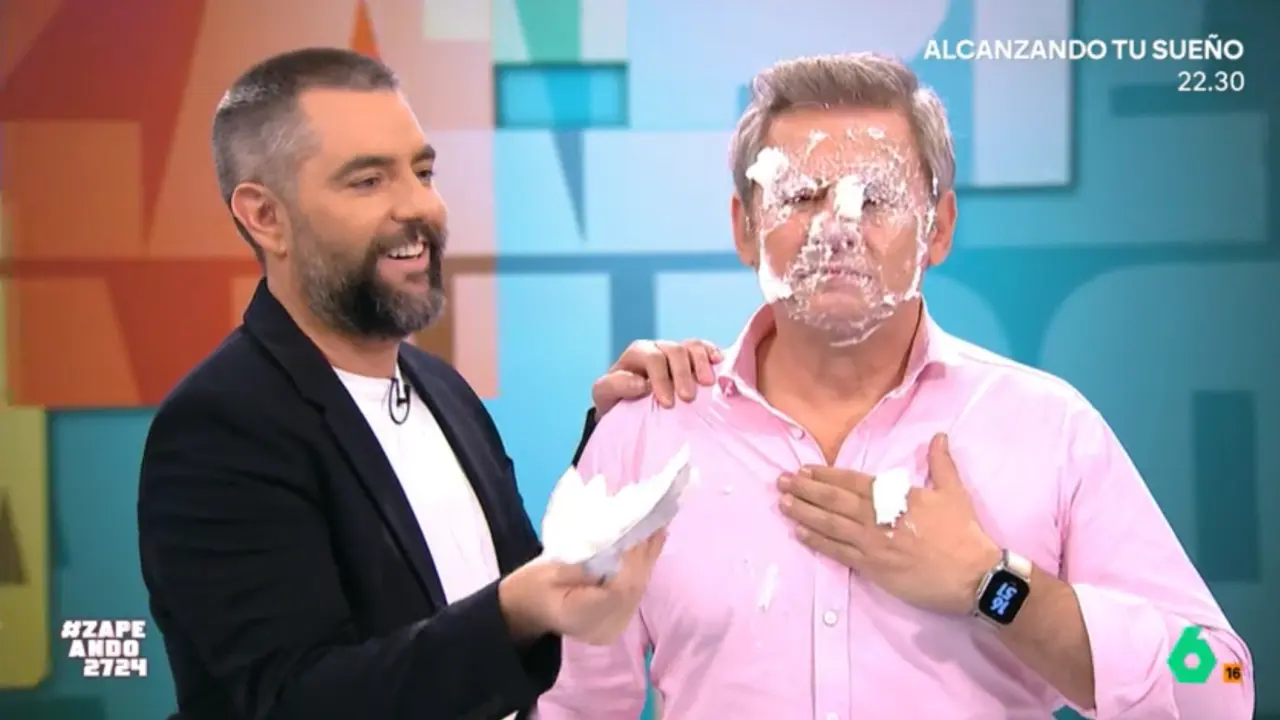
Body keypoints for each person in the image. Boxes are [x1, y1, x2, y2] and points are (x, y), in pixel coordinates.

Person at [536, 53, 1255, 719]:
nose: (837, 229)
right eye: (800, 194)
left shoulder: (1051, 430)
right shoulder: (647, 433)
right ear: (746, 226)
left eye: (875, 197)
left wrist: (994, 586)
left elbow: (1220, 684)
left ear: (938, 228)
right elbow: (565, 707)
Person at [136, 48, 717, 720]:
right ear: (265, 216)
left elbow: (513, 587)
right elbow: (294, 699)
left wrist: (611, 435)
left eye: (422, 171)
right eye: (367, 181)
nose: (420, 207)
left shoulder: (442, 390)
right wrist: (513, 612)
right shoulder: (219, 428)